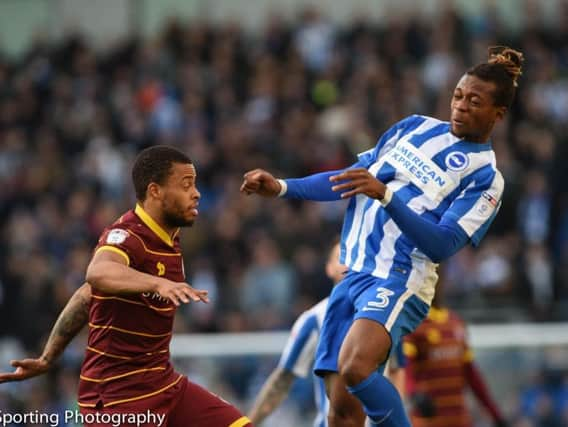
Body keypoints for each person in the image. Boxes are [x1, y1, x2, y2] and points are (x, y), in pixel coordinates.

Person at [240, 46, 523, 427]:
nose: (460, 106)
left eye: (474, 101)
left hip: (401, 277)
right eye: (458, 96)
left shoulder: (486, 177)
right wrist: (281, 187)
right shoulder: (414, 127)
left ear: (498, 114)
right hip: (353, 273)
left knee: (356, 367)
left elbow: (441, 244)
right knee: (341, 413)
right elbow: (348, 180)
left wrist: (386, 195)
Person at [0, 146, 253, 427]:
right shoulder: (127, 235)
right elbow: (97, 272)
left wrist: (48, 357)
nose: (197, 193)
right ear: (155, 191)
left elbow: (87, 295)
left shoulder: (169, 235)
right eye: (186, 185)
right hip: (115, 399)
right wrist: (158, 283)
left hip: (162, 383)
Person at [248, 240, 366, 427]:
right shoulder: (315, 319)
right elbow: (282, 379)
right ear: (329, 268)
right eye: (341, 257)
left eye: (354, 257)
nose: (349, 263)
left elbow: (396, 370)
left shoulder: (383, 313)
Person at [403, 269, 507, 427]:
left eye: (439, 277)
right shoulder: (414, 323)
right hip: (427, 421)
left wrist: (495, 414)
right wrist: (414, 395)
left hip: (459, 419)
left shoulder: (455, 323)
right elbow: (405, 370)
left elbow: (471, 375)